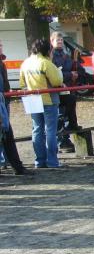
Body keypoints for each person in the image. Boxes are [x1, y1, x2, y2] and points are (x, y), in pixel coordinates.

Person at [20, 38, 65, 169]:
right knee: (50, 130)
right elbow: (57, 81)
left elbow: (22, 83)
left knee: (37, 130)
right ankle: (52, 161)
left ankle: (39, 161)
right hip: (48, 100)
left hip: (32, 100)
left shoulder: (25, 63)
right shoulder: (46, 63)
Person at [0, 39, 29, 175]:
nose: (1, 47)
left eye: (1, 45)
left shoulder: (2, 63)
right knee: (6, 135)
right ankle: (16, 166)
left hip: (3, 102)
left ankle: (17, 166)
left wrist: (7, 92)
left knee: (7, 135)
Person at [50, 31, 78, 153]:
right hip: (57, 89)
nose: (60, 42)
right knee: (60, 114)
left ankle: (66, 137)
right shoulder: (51, 56)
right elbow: (55, 72)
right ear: (52, 41)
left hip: (68, 87)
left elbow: (74, 68)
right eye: (57, 40)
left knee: (68, 112)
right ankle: (61, 141)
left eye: (61, 40)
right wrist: (69, 74)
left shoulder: (66, 55)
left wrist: (75, 71)